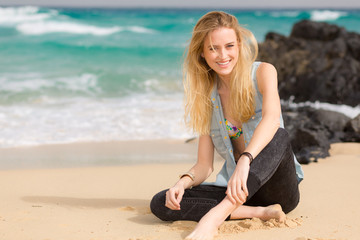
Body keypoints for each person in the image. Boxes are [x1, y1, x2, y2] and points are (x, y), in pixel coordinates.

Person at [150, 11, 304, 240]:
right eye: (213, 48)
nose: (223, 55)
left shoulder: (263, 72)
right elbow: (204, 166)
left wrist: (245, 160)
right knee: (163, 201)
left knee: (278, 135)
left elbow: (272, 120)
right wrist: (182, 183)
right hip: (237, 189)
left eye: (229, 46)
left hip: (277, 189)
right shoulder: (206, 96)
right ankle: (259, 213)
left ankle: (213, 219)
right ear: (202, 53)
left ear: (239, 45)